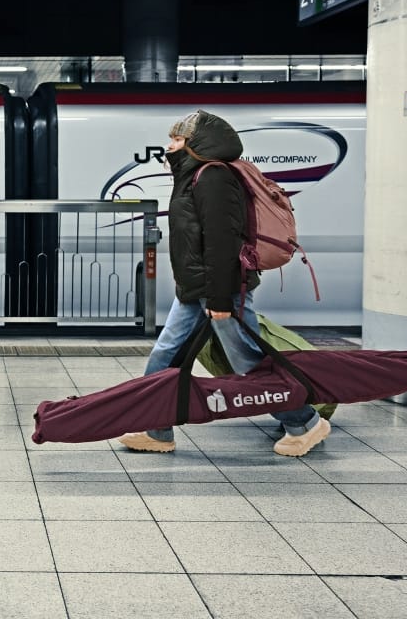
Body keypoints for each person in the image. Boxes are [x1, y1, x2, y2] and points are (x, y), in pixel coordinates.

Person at [118, 109, 331, 457]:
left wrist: (219, 299)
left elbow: (222, 242)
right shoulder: (192, 176)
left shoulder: (213, 177)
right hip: (194, 290)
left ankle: (305, 423)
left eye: (176, 139)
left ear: (196, 144)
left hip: (220, 290)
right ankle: (156, 430)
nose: (169, 145)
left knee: (246, 362)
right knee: (166, 354)